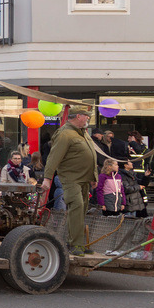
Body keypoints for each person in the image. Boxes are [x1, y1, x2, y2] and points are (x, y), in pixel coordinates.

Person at [41, 108, 97, 255]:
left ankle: (77, 243)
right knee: (77, 207)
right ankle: (75, 245)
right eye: (86, 116)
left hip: (84, 179)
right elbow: (54, 157)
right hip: (71, 178)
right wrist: (47, 178)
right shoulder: (64, 133)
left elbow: (92, 155)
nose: (88, 119)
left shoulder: (83, 133)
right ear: (78, 116)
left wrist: (94, 177)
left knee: (82, 210)